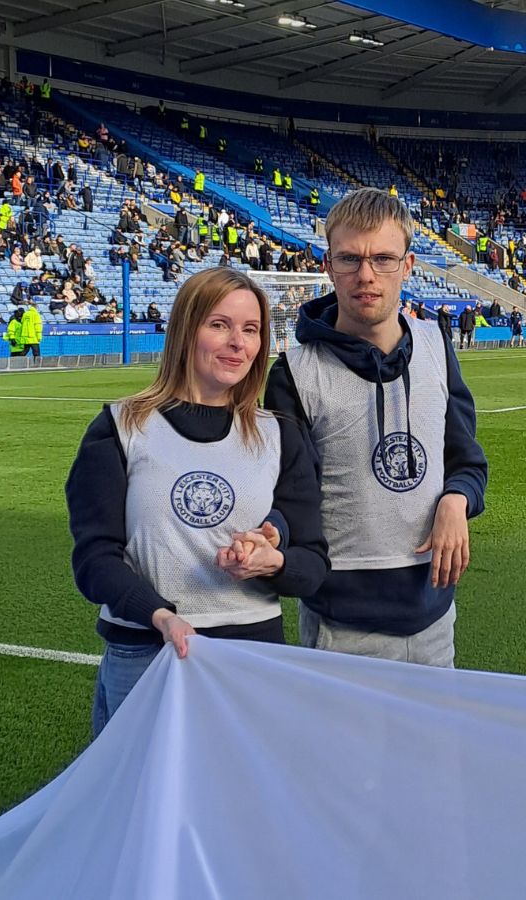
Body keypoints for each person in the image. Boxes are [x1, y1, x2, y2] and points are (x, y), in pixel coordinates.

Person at [66, 267, 329, 737]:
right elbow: (94, 560)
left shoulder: (279, 434)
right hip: (146, 652)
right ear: (186, 330)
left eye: (251, 330)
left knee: (241, 785)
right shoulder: (120, 427)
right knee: (142, 784)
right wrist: (160, 615)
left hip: (251, 653)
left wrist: (272, 562)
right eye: (219, 325)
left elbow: (312, 564)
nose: (237, 343)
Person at [264, 188, 488, 668]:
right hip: (341, 628)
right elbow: (290, 498)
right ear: (328, 266)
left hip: (434, 620)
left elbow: (467, 462)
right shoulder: (294, 374)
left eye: (383, 259)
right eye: (350, 259)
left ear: (408, 267)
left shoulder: (436, 347)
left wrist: (456, 500)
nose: (366, 275)